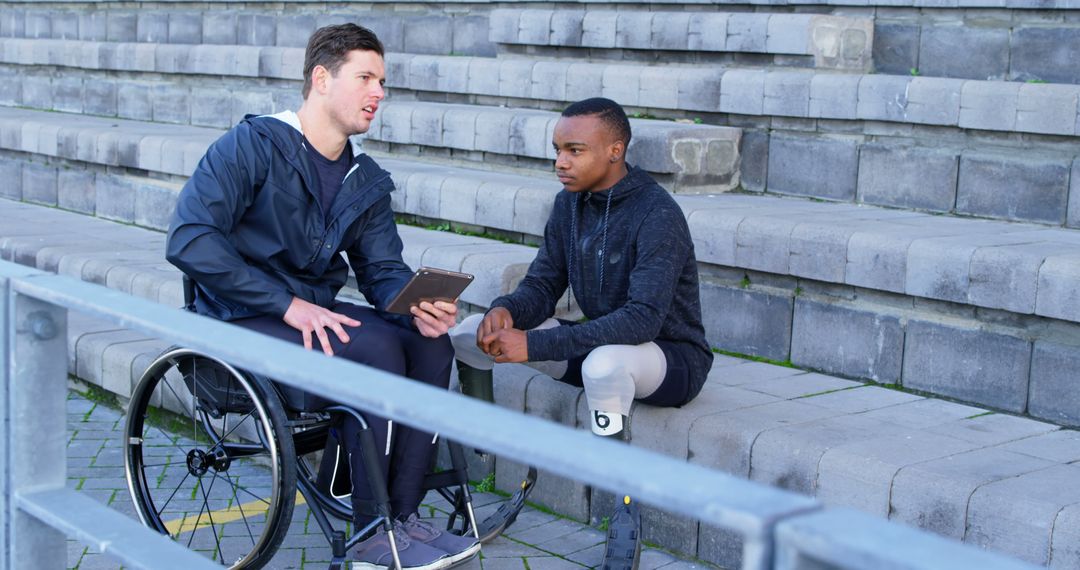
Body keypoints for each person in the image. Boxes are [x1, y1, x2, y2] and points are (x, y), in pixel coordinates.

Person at [166, 23, 478, 570]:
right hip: (235, 318)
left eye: (382, 80)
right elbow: (190, 239)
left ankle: (399, 519)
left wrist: (417, 306)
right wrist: (286, 304)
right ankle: (368, 533)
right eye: (365, 77)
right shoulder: (252, 146)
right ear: (321, 79)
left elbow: (382, 272)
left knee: (429, 346)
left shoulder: (365, 177)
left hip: (309, 315)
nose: (378, 91)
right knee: (376, 350)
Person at [448, 97, 713, 570]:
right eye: (557, 149)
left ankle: (623, 515)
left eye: (575, 150)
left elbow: (641, 321)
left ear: (615, 150)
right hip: (603, 346)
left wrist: (533, 344)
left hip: (667, 359)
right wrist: (506, 310)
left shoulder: (658, 215)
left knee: (604, 363)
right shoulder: (569, 204)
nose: (560, 162)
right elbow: (544, 283)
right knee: (470, 333)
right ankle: (475, 472)